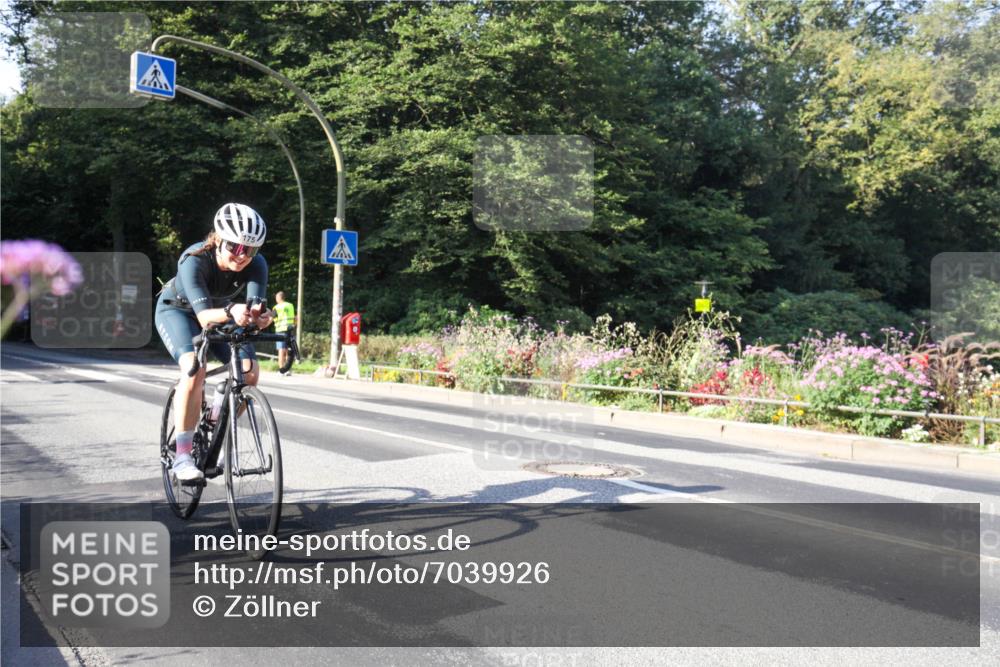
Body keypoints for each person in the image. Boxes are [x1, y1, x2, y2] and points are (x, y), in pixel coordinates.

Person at [154, 203, 274, 481]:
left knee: (250, 371)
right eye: (235, 247)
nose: (242, 255)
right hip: (179, 312)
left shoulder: (257, 264)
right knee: (194, 369)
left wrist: (261, 317)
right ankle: (182, 456)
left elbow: (254, 308)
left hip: (222, 313)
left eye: (250, 249)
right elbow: (205, 318)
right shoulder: (194, 260)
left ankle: (215, 421)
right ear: (218, 239)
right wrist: (233, 310)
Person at [272, 291, 296, 375]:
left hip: (280, 330)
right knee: (288, 350)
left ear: (278, 298)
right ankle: (287, 370)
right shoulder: (290, 305)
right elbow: (295, 318)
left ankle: (281, 370)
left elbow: (273, 318)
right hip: (290, 330)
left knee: (281, 350)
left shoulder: (276, 307)